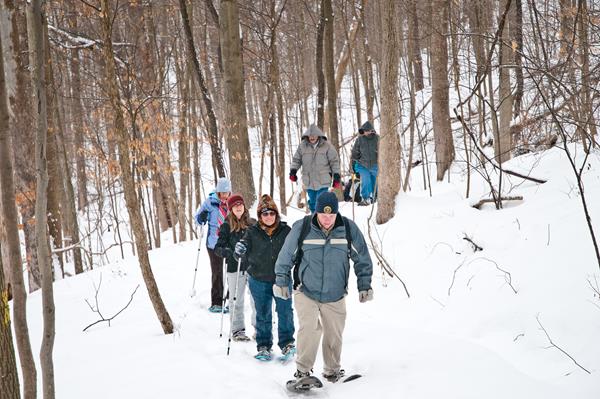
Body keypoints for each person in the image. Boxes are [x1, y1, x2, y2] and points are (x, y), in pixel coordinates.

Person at [274, 191, 373, 383]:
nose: (327, 219)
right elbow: (286, 256)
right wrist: (281, 280)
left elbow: (362, 258)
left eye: (331, 215)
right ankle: (303, 372)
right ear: (315, 212)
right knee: (310, 329)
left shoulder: (348, 229)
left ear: (337, 213)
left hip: (335, 293)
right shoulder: (302, 227)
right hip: (306, 291)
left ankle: (332, 371)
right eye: (323, 214)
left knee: (334, 334)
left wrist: (364, 284)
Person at [234, 194, 295, 360]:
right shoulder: (251, 232)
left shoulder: (286, 231)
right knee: (262, 313)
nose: (269, 217)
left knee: (285, 312)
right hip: (258, 279)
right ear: (260, 216)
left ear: (276, 214)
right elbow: (240, 253)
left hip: (281, 279)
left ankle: (287, 343)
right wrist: (239, 250)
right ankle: (264, 346)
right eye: (265, 214)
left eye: (272, 213)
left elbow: (295, 252)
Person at [214, 194, 255, 342]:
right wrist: (230, 253)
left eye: (241, 204)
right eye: (235, 205)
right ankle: (238, 330)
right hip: (234, 268)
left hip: (252, 267)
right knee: (236, 300)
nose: (238, 207)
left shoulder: (252, 224)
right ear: (231, 209)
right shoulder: (226, 225)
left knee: (256, 300)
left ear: (244, 207)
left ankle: (259, 329)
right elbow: (218, 247)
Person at [194, 177, 231, 313]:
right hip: (213, 244)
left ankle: (229, 300)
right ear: (218, 191)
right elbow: (197, 219)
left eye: (227, 193)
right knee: (217, 272)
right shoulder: (210, 202)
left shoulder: (232, 204)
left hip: (229, 243)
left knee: (231, 273)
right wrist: (201, 217)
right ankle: (216, 302)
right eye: (222, 192)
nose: (225, 196)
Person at [289, 124, 341, 213]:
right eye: (310, 136)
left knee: (320, 201)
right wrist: (293, 171)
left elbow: (334, 161)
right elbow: (296, 159)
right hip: (309, 180)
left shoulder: (327, 146)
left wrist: (336, 175)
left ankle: (321, 219)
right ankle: (314, 218)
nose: (311, 137)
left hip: (323, 179)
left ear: (318, 135)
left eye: (314, 135)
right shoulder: (302, 146)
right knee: (312, 202)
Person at [351, 121, 379, 206]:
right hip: (363, 165)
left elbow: (382, 151)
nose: (366, 132)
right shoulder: (359, 139)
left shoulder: (378, 138)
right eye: (364, 131)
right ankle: (365, 198)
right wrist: (354, 164)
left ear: (372, 130)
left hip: (375, 164)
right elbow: (355, 153)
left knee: (375, 182)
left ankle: (375, 198)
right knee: (366, 181)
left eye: (367, 130)